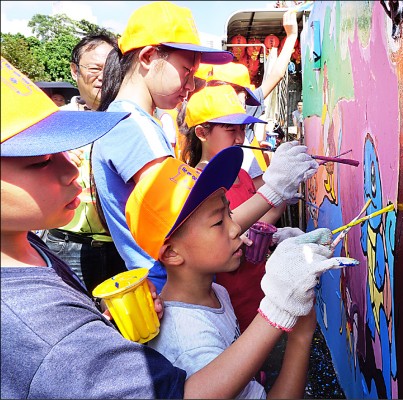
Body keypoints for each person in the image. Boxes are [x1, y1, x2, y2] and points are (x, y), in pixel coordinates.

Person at [0, 56, 356, 399]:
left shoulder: (29, 248)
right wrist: (284, 314)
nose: (72, 170)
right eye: (41, 160)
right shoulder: (35, 320)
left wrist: (104, 330)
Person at [125, 148, 350, 398]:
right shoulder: (193, 346)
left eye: (229, 213)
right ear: (171, 254)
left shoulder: (216, 292)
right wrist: (301, 335)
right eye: (218, 222)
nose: (236, 229)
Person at [90, 1, 235, 293]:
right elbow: (187, 225)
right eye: (186, 71)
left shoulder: (135, 122)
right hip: (170, 288)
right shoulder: (134, 127)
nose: (192, 85)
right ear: (147, 57)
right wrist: (272, 194)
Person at [181, 84, 315, 332]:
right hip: (228, 296)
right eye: (231, 130)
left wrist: (277, 227)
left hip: (258, 286)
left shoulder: (242, 174)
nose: (240, 138)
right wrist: (275, 189)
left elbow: (260, 221)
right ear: (201, 132)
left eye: (243, 129)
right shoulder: (194, 185)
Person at [41, 33, 127, 296]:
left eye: (110, 69)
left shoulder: (128, 121)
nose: (103, 76)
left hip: (120, 248)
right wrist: (53, 157)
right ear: (74, 70)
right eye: (94, 68)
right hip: (66, 246)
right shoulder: (53, 121)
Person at [205, 9, 301, 186]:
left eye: (244, 99)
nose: (239, 137)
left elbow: (277, 75)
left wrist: (292, 36)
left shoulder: (248, 107)